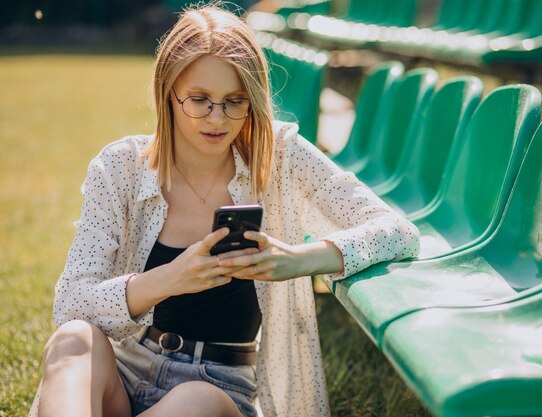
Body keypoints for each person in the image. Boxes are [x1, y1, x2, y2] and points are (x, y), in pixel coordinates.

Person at [30, 3, 420, 417]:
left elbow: (396, 231)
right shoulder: (119, 167)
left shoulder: (280, 156)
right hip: (127, 370)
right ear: (168, 93)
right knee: (74, 339)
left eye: (235, 101)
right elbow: (71, 304)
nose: (218, 119)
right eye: (199, 100)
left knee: (195, 400)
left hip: (219, 387)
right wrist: (168, 279)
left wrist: (298, 261)